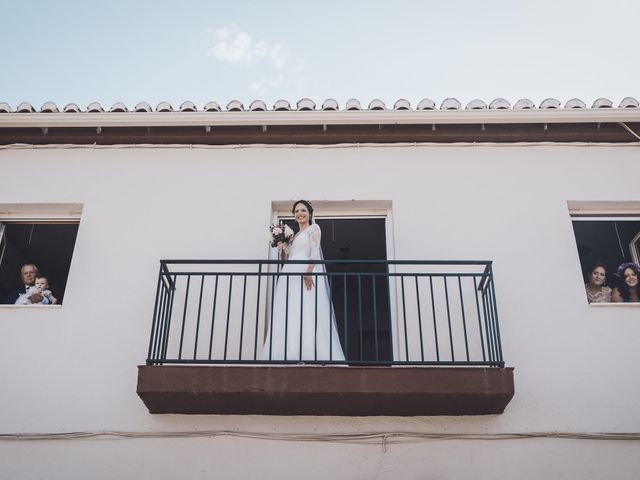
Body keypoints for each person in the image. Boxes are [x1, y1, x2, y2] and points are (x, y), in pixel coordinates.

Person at [260, 200, 346, 362]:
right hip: (289, 275)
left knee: (307, 309)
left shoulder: (314, 229)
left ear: (310, 213)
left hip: (305, 272)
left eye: (304, 210)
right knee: (290, 310)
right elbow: (288, 257)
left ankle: (309, 353)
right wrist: (282, 245)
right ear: (294, 215)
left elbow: (314, 251)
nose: (300, 213)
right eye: (297, 211)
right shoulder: (293, 236)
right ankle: (288, 352)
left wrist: (308, 272)